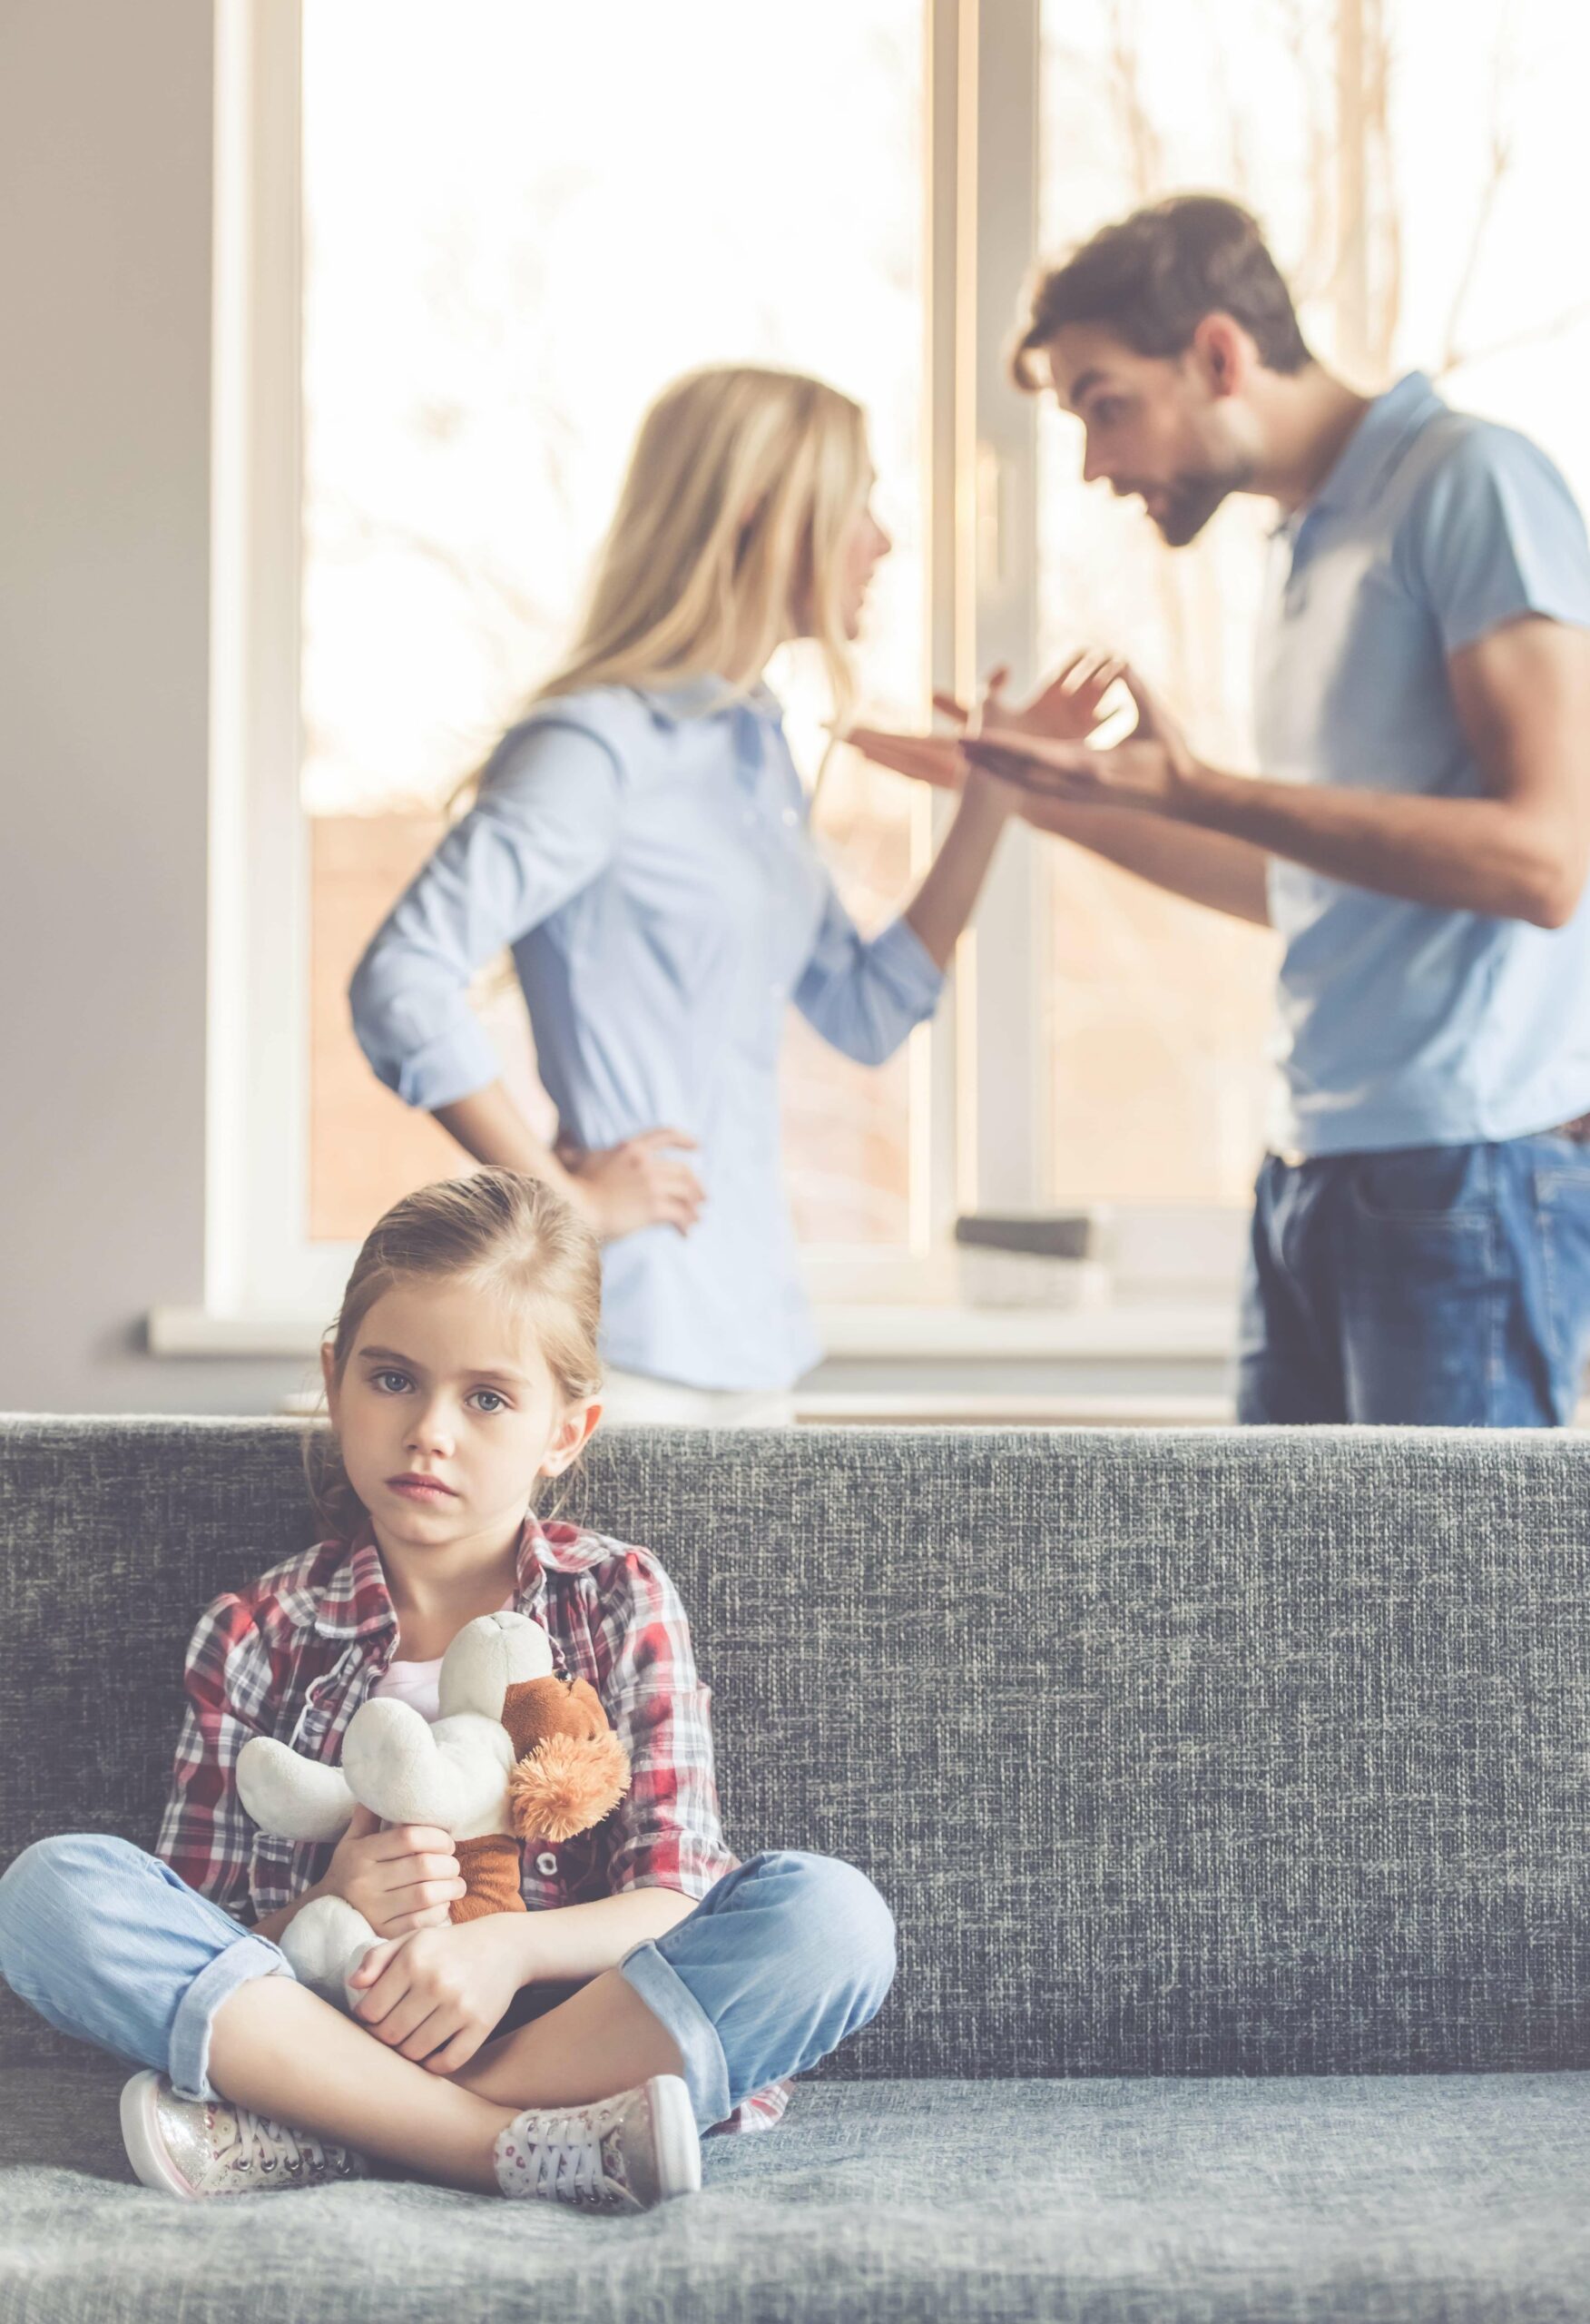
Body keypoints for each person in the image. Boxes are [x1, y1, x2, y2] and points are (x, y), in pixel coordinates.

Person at [0, 1171, 896, 2211]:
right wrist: (330, 1897)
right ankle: (495, 2146)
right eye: (392, 1380)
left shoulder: (616, 1597)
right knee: (49, 1893)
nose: (431, 1429)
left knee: (834, 1920)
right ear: (335, 1378)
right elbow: (199, 1929)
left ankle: (342, 2131)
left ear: (566, 1427)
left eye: (487, 1397)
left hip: (578, 2027)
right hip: (320, 2024)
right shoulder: (258, 1631)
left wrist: (503, 1950)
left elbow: (673, 1892)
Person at [859, 194, 1590, 1426]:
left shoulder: (1470, 483)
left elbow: (1546, 859)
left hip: (1461, 1174)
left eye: (1105, 404)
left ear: (1217, 354)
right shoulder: (1308, 543)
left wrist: (1207, 787)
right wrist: (1040, 798)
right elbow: (1300, 875)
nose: (1095, 464)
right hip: (1315, 1171)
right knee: (1280, 1612)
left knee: (1433, 1621)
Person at [348, 366, 1098, 1424]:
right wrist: (562, 1205)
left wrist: (991, 802)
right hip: (625, 1354)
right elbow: (400, 983)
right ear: (761, 512)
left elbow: (870, 1011)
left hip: (758, 1346)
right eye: (859, 502)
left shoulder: (754, 755)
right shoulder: (594, 745)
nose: (881, 541)